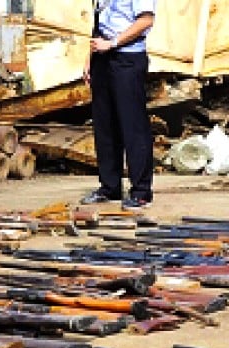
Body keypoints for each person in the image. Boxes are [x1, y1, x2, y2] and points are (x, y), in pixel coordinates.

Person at [80, 0, 156, 209]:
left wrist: (113, 43)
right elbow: (98, 23)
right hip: (102, 58)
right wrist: (90, 58)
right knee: (105, 126)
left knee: (133, 126)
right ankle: (109, 186)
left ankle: (141, 191)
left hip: (127, 59)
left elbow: (146, 20)